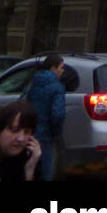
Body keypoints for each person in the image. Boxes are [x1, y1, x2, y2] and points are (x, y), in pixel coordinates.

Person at [26, 53, 66, 181]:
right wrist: (56, 132)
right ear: (53, 68)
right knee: (45, 173)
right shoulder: (57, 87)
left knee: (28, 170)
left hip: (29, 135)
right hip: (46, 136)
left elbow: (22, 102)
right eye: (61, 67)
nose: (62, 71)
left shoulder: (33, 82)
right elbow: (57, 114)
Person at [0, 101, 41, 181]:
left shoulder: (29, 158)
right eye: (14, 130)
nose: (21, 138)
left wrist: (29, 171)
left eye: (27, 132)